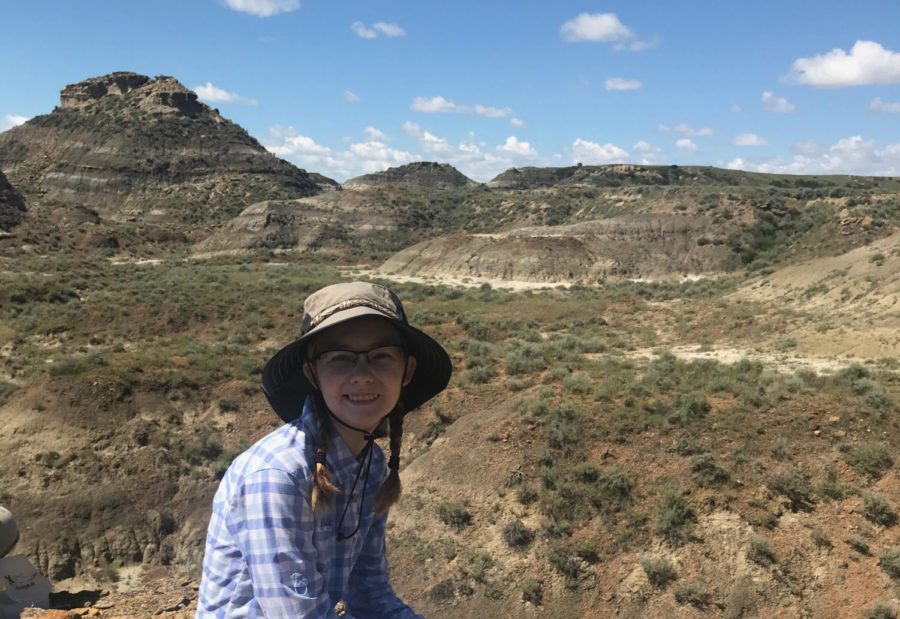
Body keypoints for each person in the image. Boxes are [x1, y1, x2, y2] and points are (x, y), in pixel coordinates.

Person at [197, 281, 452, 617]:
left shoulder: (372, 465)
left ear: (408, 371)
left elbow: (370, 593)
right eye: (339, 359)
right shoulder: (277, 477)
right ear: (312, 374)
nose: (362, 375)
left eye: (381, 356)